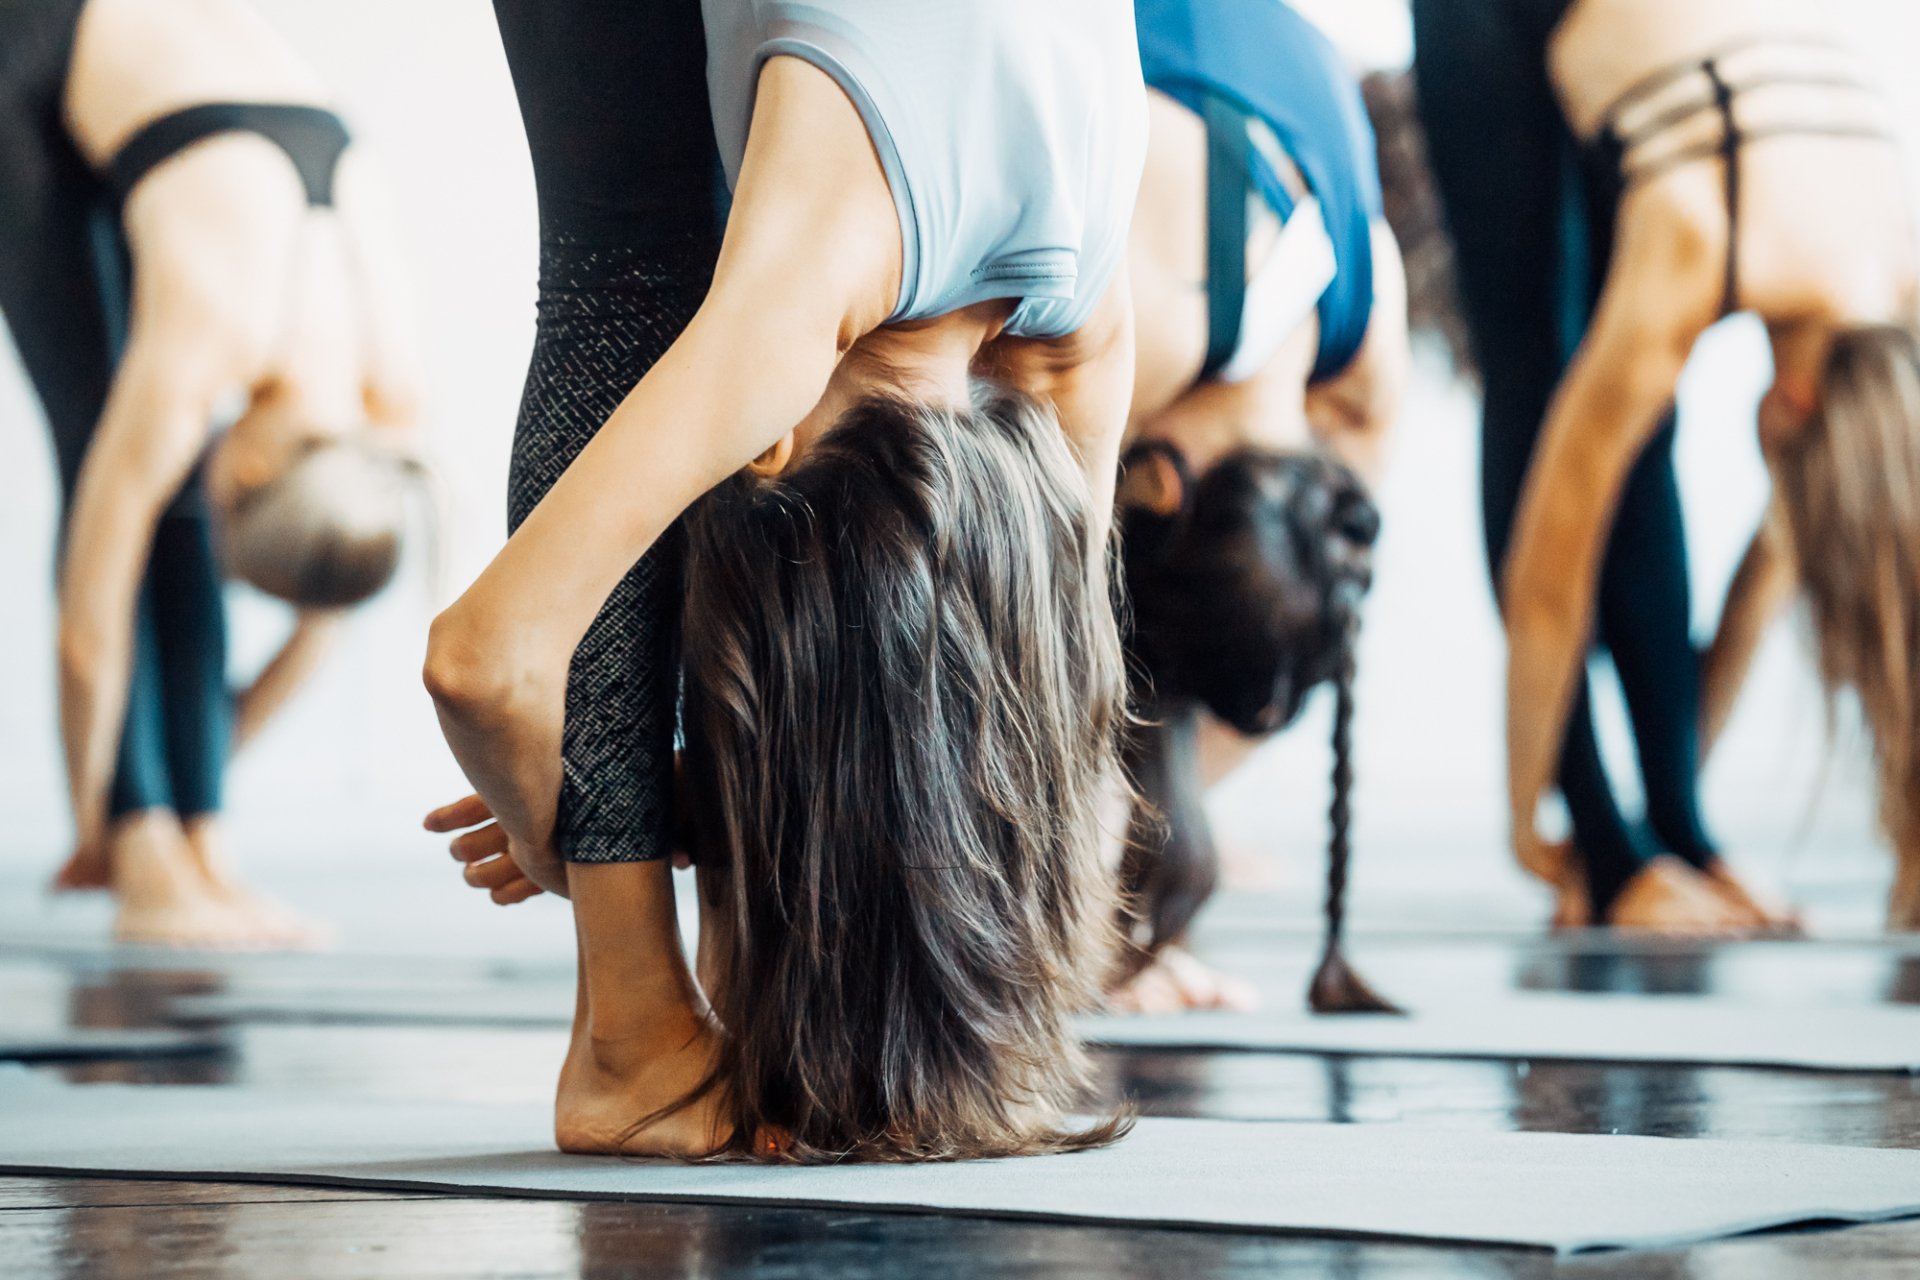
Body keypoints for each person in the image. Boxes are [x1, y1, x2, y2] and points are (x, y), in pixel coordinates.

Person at [424, 0, 1145, 1161]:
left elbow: (1060, 751)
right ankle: (630, 1037)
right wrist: (571, 826)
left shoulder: (1080, 319)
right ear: (760, 454)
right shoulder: (794, 317)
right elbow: (480, 662)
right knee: (625, 271)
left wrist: (716, 786)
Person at [1413, 0, 1917, 931]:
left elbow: (1778, 560)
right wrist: (1534, 816)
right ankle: (1611, 859)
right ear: (1794, 410)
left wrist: (1684, 821)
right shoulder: (1700, 236)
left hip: (1683, 87)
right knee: (1536, 378)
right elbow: (1552, 567)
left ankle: (1679, 838)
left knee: (1638, 416)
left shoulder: (1895, 273)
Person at [0, 0, 427, 947]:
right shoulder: (211, 337)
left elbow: (326, 620)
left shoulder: (387, 426)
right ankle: (151, 860)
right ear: (264, 464)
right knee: (103, 458)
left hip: (204, 111)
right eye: (230, 495)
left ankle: (205, 851)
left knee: (167, 494)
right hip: (26, 45)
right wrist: (95, 829)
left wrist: (210, 797)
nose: (212, 484)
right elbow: (88, 614)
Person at [1108, 0, 1409, 1012]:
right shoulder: (1145, 318)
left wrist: (1147, 862)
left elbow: (1285, 638)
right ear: (1155, 481)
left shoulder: (1358, 337)